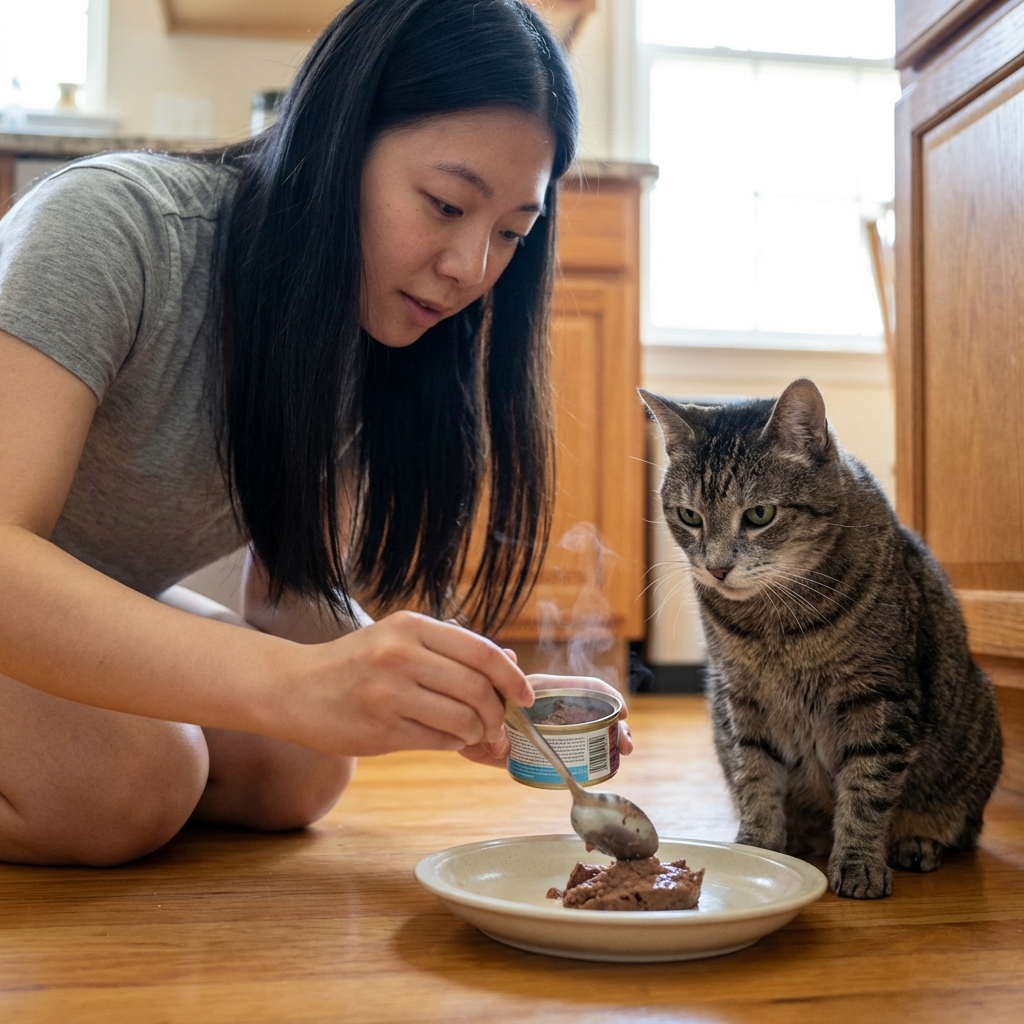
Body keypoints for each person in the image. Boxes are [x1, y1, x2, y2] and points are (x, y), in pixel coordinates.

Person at [0, 0, 631, 868]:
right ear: (340, 141)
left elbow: (286, 598)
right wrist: (300, 682)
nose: (470, 269)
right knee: (128, 778)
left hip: (61, 604)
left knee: (299, 767)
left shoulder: (358, 330)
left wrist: (467, 696)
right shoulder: (115, 229)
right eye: (446, 204)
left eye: (511, 234)